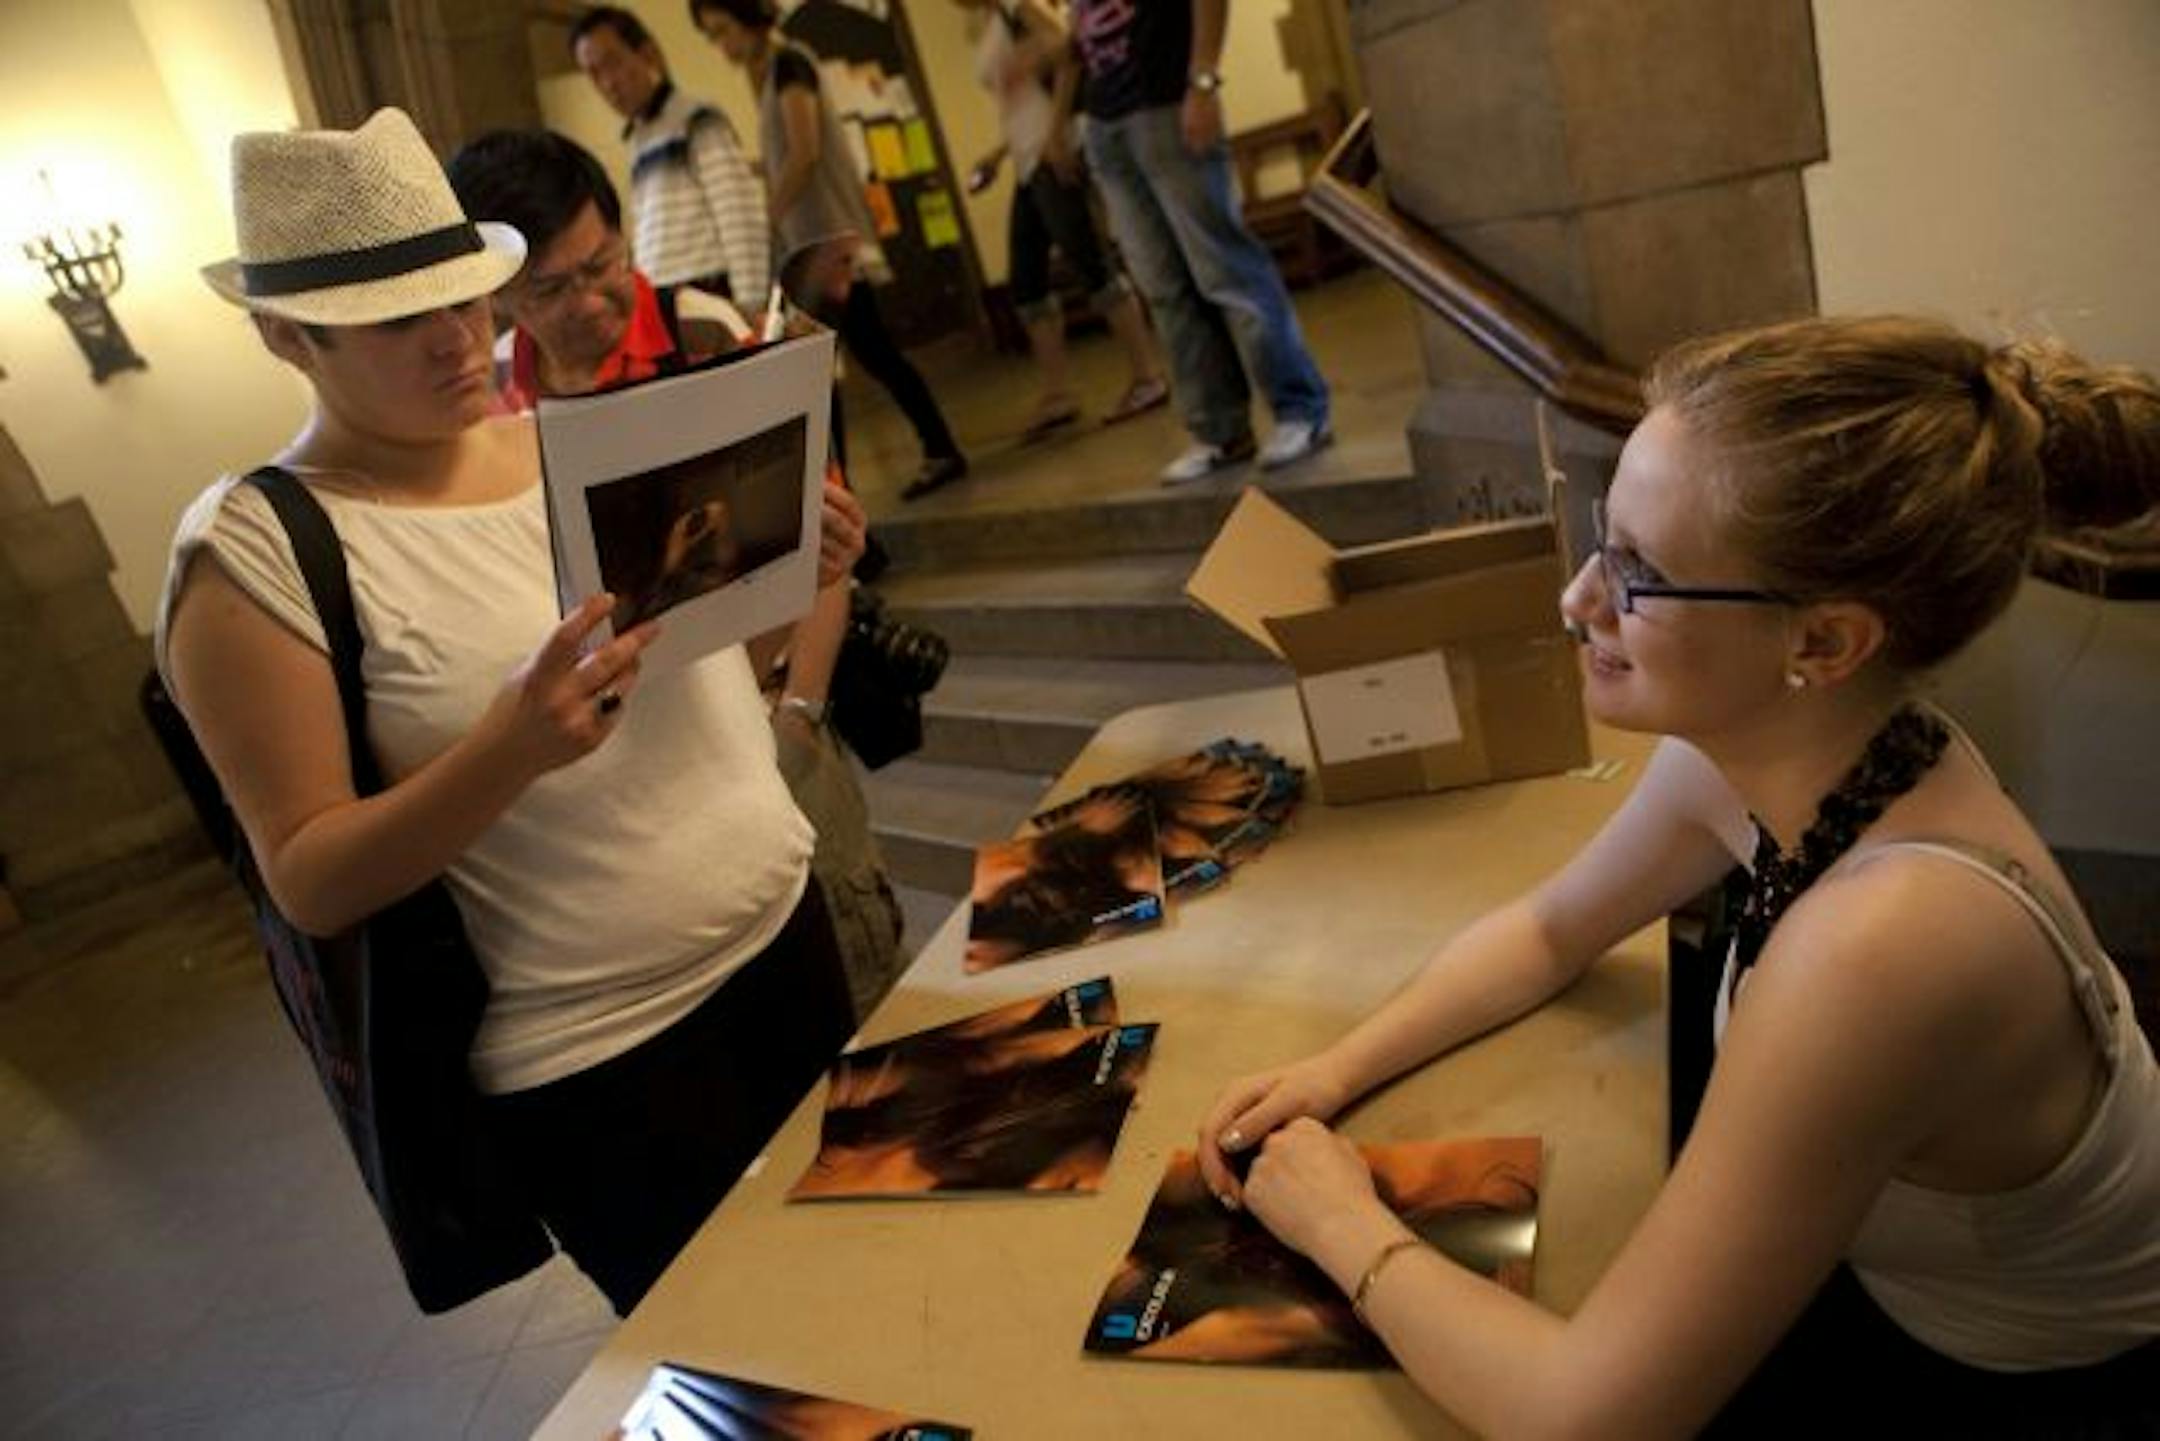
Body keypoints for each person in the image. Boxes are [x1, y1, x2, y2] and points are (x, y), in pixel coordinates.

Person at [1196, 316, 2160, 1436]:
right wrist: (1333, 1068)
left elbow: (1589, 1417)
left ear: (1824, 643)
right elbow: (1552, 930)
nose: (1580, 600)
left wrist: (1338, 1222)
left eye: (1642, 576)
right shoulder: (1791, 746)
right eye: (1605, 540)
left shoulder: (1883, 947)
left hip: (2024, 1367)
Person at [160, 108, 872, 1315]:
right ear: (288, 337)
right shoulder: (258, 552)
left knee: (897, 1291)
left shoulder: (567, 441)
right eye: (398, 320)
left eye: (467, 296)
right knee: (769, 1366)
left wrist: (790, 585)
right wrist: (510, 749)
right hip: (611, 1063)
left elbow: (702, 683)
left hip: (787, 943)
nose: (458, 340)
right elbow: (311, 874)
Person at [448, 125, 907, 1021]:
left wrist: (799, 719)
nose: (589, 301)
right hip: (636, 797)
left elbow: (816, 553)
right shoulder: (497, 401)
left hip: (774, 719)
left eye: (603, 264)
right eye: (551, 287)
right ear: (497, 295)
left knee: (858, 989)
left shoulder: (706, 331)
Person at [688, 0, 970, 502]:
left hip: (824, 242)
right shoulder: (771, 69)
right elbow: (785, 157)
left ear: (749, 16)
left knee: (829, 366)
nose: (721, 46)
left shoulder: (790, 62)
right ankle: (907, 461)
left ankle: (850, 488)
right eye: (711, 37)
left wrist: (763, 219)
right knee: (856, 357)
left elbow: (805, 150)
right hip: (814, 243)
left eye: (722, 30)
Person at [1057, 0, 1331, 485]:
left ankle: (1301, 411)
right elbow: (1074, 38)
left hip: (1166, 100)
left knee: (1227, 269)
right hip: (1107, 121)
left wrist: (1202, 81)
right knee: (1163, 289)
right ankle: (1220, 432)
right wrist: (1066, 120)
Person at [954, 0, 1167, 442]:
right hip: (1025, 161)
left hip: (1053, 153)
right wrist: (999, 154)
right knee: (1026, 282)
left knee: (1093, 262)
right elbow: (1021, 100)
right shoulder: (995, 21)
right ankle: (1057, 395)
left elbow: (1070, 53)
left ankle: (1147, 376)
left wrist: (1055, 137)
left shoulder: (1021, 6)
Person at [571, 5, 769, 306]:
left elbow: (741, 223)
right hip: (663, 303)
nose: (607, 84)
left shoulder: (699, 120)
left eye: (612, 62)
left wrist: (751, 312)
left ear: (646, 53)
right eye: (594, 74)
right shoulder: (639, 138)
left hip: (710, 296)